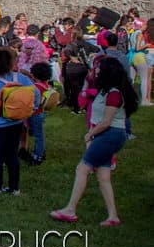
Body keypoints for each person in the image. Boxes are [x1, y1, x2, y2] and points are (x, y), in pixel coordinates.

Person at [51, 55, 138, 226]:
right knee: (103, 176)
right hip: (105, 134)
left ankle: (70, 209)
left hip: (110, 135)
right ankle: (112, 216)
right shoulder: (105, 90)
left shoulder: (113, 93)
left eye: (99, 68)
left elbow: (106, 122)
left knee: (82, 169)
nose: (95, 71)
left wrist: (90, 134)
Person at [0, 46, 34, 196]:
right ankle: (14, 187)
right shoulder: (21, 78)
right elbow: (35, 93)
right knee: (12, 154)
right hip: (16, 122)